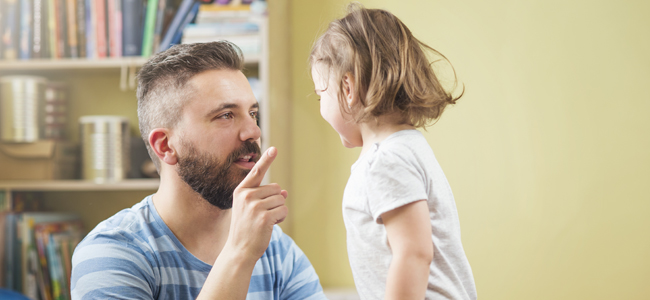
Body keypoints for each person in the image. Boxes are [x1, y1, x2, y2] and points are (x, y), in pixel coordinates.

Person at [71, 41, 327, 300]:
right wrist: (239, 253)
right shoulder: (111, 252)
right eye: (226, 115)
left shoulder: (277, 251)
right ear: (165, 146)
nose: (254, 131)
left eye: (252, 113)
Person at [310, 4, 477, 300]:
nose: (320, 105)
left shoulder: (385, 161)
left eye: (320, 93)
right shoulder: (408, 147)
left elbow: (413, 253)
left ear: (347, 88)